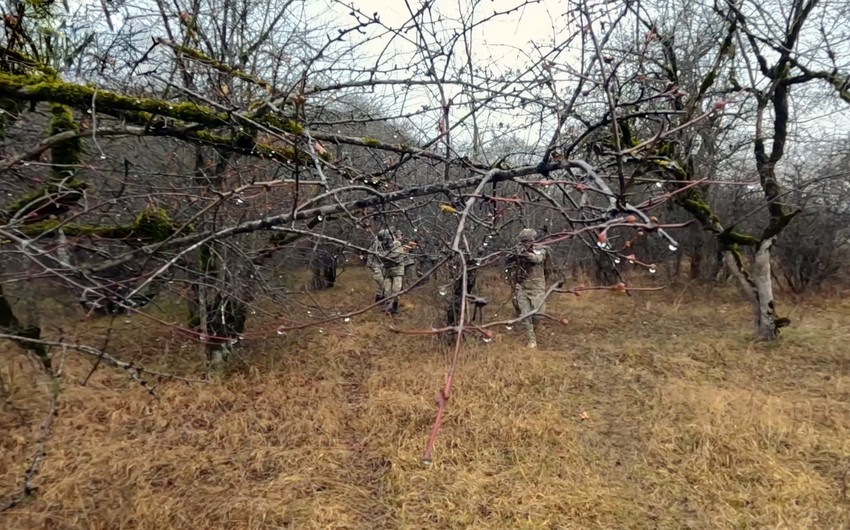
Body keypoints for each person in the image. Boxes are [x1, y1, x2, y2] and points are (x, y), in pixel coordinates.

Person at [506, 228, 554, 348]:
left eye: (527, 241)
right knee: (525, 314)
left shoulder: (541, 250)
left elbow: (537, 259)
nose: (525, 243)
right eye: (523, 241)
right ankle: (531, 340)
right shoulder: (517, 250)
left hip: (537, 287)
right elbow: (508, 261)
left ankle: (534, 330)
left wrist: (526, 254)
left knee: (538, 315)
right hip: (522, 286)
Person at [379, 227, 405, 314]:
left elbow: (395, 255)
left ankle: (394, 306)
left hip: (397, 270)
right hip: (387, 270)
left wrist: (385, 255)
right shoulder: (382, 245)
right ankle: (388, 306)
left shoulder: (397, 243)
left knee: (396, 289)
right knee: (387, 290)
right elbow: (378, 255)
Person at [366, 232, 385, 303]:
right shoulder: (375, 244)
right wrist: (371, 265)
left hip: (381, 265)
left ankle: (380, 298)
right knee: (381, 282)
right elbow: (371, 254)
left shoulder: (384, 243)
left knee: (381, 283)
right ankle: (380, 298)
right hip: (374, 265)